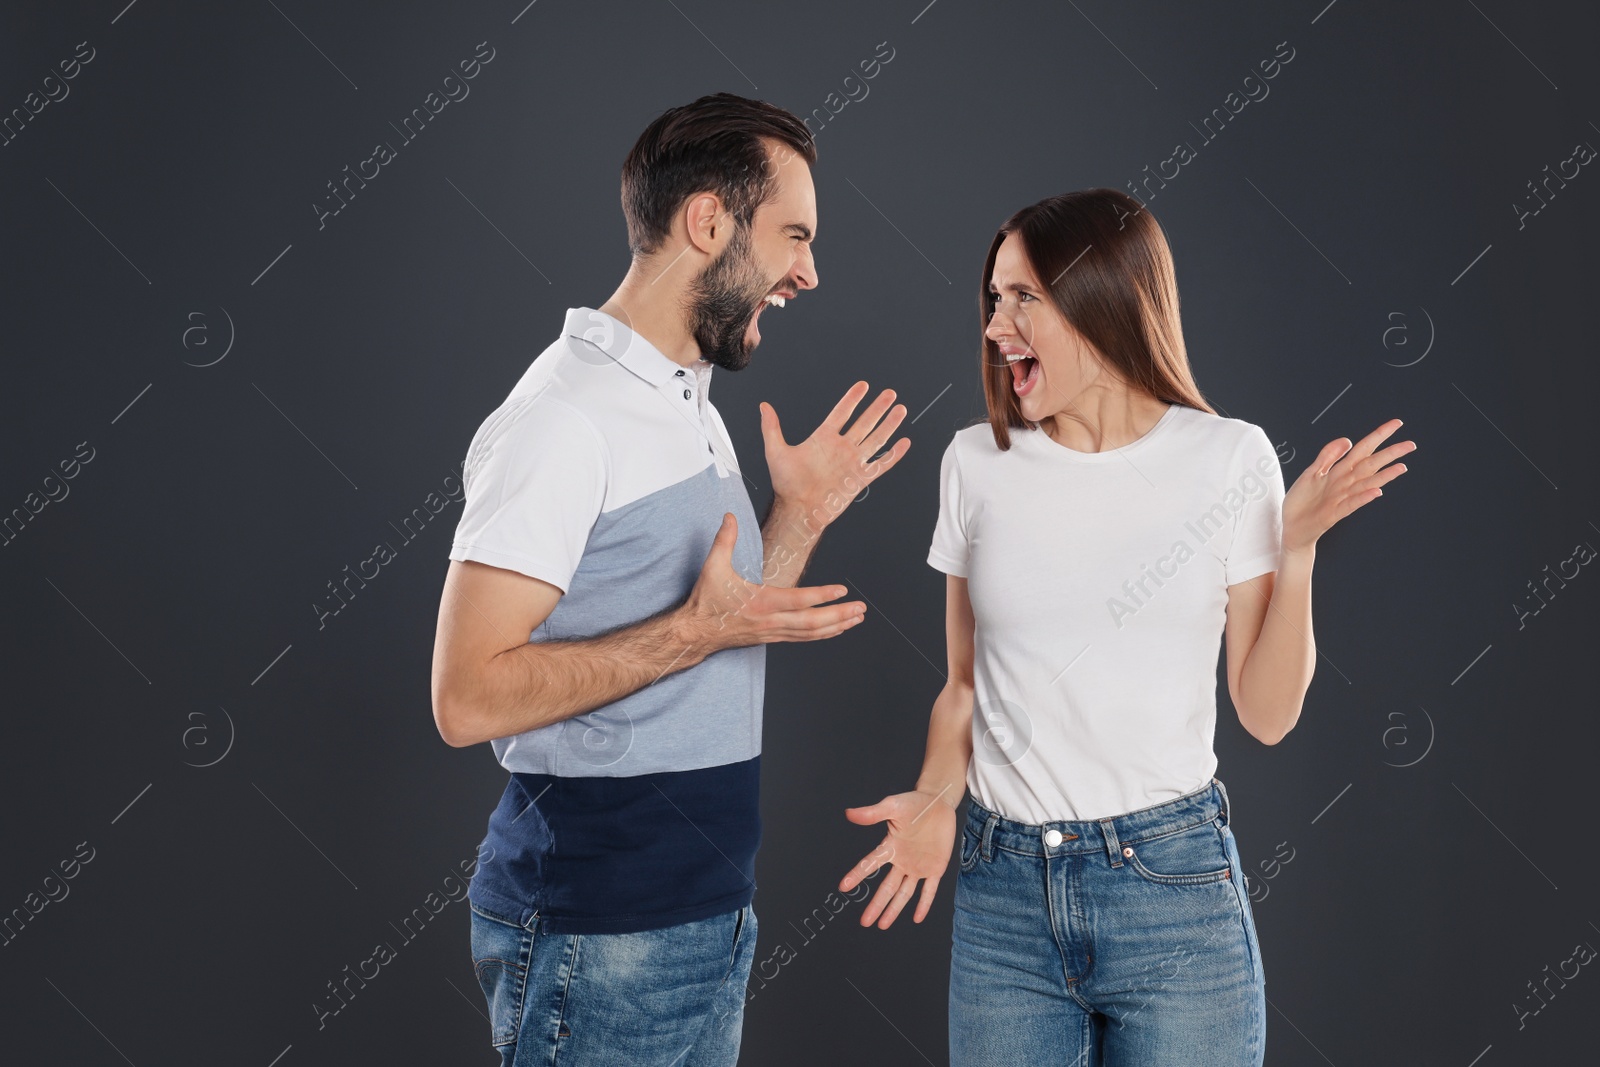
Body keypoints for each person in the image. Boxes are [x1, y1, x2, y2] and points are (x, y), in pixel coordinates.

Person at [838, 189, 1414, 1065]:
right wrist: (932, 794)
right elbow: (963, 684)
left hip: (1171, 889)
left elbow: (1264, 714)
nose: (997, 326)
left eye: (1024, 297)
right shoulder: (974, 464)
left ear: (1103, 296)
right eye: (994, 300)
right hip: (1005, 901)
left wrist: (1295, 549)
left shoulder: (1229, 458)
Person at [432, 93, 911, 1066]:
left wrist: (800, 518)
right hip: (596, 931)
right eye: (793, 236)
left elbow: (720, 619)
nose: (808, 272)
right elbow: (467, 693)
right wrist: (692, 632)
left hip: (705, 915)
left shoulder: (681, 396)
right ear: (708, 220)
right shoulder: (565, 418)